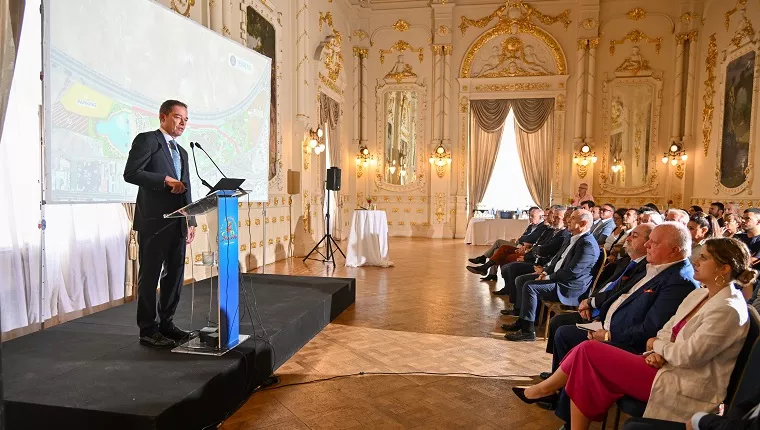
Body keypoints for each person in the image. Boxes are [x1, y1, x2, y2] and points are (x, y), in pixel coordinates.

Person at [512, 237, 755, 429]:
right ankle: (551, 395)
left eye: (704, 258)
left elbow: (687, 356)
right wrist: (656, 348)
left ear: (723, 269)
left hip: (686, 382)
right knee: (588, 365)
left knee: (588, 350)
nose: (696, 262)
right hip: (664, 363)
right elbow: (667, 329)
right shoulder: (700, 294)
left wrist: (657, 348)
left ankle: (546, 389)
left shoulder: (728, 309)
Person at [548, 222, 699, 425]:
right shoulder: (657, 268)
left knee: (583, 347)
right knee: (566, 333)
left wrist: (609, 335)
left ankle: (561, 407)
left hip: (631, 343)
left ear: (674, 250)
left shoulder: (680, 280)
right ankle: (559, 395)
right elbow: (620, 295)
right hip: (610, 327)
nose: (647, 246)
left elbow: (650, 328)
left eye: (653, 243)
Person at [123, 100, 197, 349]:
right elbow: (131, 173)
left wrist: (191, 219)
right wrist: (164, 180)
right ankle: (147, 329)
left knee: (174, 276)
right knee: (150, 276)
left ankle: (167, 324)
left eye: (186, 119)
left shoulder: (183, 152)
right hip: (153, 222)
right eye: (178, 117)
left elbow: (186, 186)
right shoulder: (148, 141)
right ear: (163, 117)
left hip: (177, 223)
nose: (183, 123)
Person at [503, 209, 600, 342]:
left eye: (572, 219)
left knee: (530, 286)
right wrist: (545, 272)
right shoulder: (572, 237)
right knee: (522, 279)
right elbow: (556, 260)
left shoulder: (587, 244)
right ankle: (525, 319)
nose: (568, 220)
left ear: (583, 223)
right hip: (559, 278)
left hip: (569, 286)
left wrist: (548, 277)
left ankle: (528, 332)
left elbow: (571, 272)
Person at [467, 207, 546, 268]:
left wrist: (522, 240)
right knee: (497, 250)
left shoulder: (542, 226)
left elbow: (529, 238)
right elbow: (524, 237)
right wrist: (521, 239)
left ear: (540, 217)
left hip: (523, 247)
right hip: (519, 244)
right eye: (530, 216)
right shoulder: (532, 225)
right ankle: (490, 273)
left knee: (498, 242)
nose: (530, 218)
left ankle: (483, 259)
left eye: (532, 216)